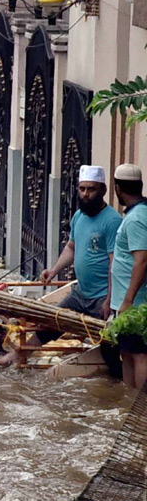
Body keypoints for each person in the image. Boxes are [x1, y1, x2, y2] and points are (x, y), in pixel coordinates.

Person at [0, 165, 120, 367]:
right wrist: (53, 270)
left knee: (108, 340)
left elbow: (116, 263)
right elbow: (71, 247)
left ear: (103, 190)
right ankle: (19, 355)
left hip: (102, 296)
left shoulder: (112, 221)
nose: (86, 194)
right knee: (52, 321)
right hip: (81, 292)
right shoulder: (79, 216)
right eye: (82, 189)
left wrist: (110, 300)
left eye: (91, 189)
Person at [105, 164, 147, 388]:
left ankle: (140, 407)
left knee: (139, 355)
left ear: (117, 188)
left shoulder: (137, 219)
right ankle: (129, 402)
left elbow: (142, 260)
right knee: (127, 352)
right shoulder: (135, 215)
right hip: (125, 303)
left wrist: (128, 300)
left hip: (135, 304)